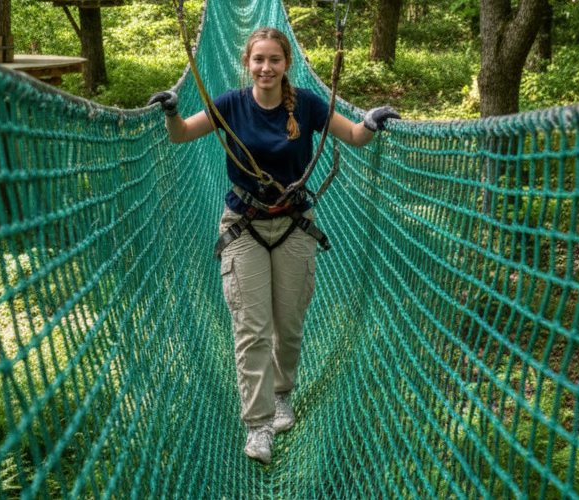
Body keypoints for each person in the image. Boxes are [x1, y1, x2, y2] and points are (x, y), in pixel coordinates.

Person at [148, 26, 399, 465]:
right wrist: (172, 111)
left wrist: (372, 123)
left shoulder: (308, 105)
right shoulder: (229, 103)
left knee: (289, 324)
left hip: (294, 225)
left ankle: (283, 395)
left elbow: (354, 136)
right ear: (247, 63)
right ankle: (258, 425)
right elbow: (182, 134)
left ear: (287, 64)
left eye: (274, 60)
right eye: (258, 59)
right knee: (252, 329)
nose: (266, 67)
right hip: (242, 226)